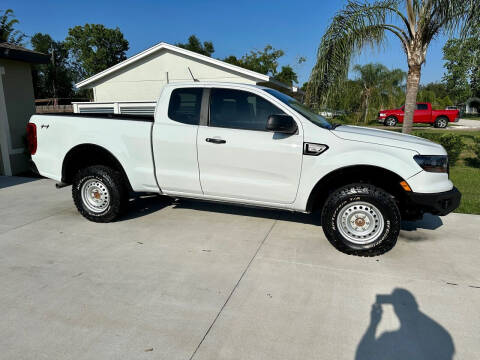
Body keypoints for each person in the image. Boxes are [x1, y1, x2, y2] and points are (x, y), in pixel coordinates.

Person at [355, 288, 454, 360]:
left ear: (396, 310)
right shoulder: (438, 338)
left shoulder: (389, 340)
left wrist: (373, 325)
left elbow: (361, 357)